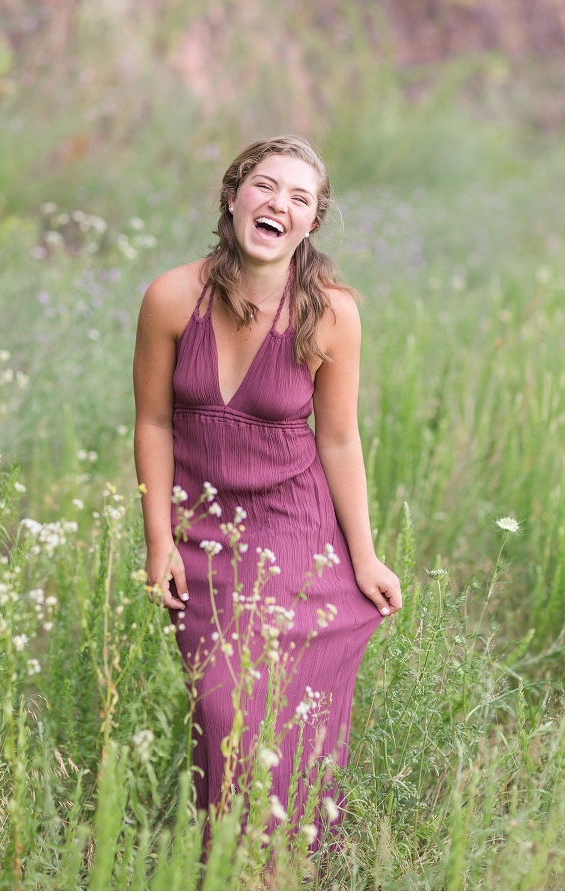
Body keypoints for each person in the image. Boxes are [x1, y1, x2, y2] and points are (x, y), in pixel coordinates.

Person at [133, 135, 401, 824]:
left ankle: (279, 861)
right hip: (202, 528)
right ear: (232, 196)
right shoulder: (170, 297)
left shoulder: (332, 312)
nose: (279, 202)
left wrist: (364, 554)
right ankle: (227, 860)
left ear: (311, 221)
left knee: (282, 714)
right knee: (220, 706)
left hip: (293, 524)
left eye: (300, 197)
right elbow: (154, 424)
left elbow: (339, 439)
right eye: (264, 185)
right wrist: (158, 538)